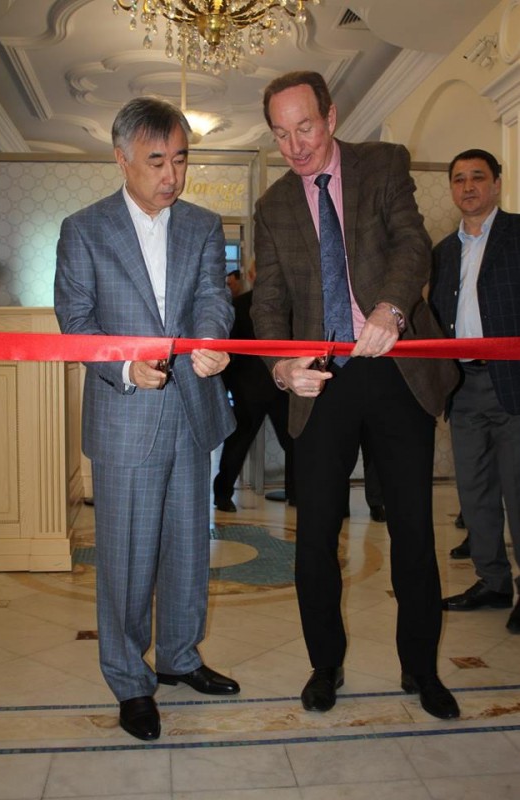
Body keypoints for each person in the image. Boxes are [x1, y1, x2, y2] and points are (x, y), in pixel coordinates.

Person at [251, 71, 460, 719]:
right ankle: (325, 665)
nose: (295, 146)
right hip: (321, 381)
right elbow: (268, 303)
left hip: (393, 368)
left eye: (305, 128)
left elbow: (411, 244)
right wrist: (282, 367)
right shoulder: (273, 206)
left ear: (332, 116)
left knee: (412, 530)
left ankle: (420, 669)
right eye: (281, 134)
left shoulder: (382, 164)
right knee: (314, 534)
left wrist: (392, 307)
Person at [54, 96, 240, 742]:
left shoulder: (203, 225)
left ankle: (180, 657)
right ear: (121, 158)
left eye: (180, 160)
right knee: (128, 559)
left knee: (189, 548)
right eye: (156, 161)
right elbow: (76, 321)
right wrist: (125, 368)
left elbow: (214, 298)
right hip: (126, 413)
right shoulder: (84, 229)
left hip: (192, 408)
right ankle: (130, 681)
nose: (171, 175)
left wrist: (211, 340)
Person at [429, 148, 520, 634]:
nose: (468, 187)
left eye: (478, 177)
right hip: (463, 386)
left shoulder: (517, 234)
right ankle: (493, 581)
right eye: (459, 178)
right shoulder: (443, 251)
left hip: (513, 384)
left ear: (497, 183)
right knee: (475, 490)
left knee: (518, 491)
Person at [213, 263, 295, 511]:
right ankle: (296, 493)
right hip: (266, 387)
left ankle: (223, 494)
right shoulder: (284, 305)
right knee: (285, 441)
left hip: (260, 387)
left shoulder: (242, 305)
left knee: (244, 441)